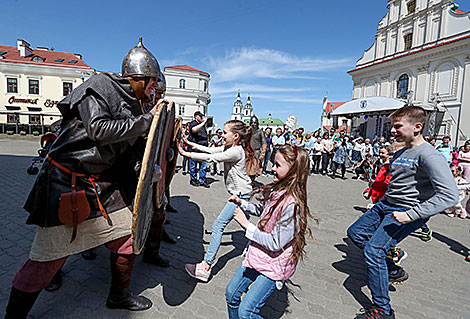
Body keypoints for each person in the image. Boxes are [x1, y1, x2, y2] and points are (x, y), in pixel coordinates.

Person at [5, 38, 165, 317]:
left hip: (104, 185)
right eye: (152, 82)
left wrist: (149, 168)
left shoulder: (136, 106)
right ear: (138, 77)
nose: (154, 88)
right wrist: (147, 120)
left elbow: (128, 148)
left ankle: (118, 296)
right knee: (47, 260)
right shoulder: (100, 86)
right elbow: (99, 130)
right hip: (68, 183)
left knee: (127, 237)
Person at [347, 105, 459, 319]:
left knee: (373, 252)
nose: (392, 130)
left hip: (405, 211)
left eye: (398, 126)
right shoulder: (401, 151)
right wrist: (377, 200)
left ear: (417, 127)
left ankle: (382, 311)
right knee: (355, 233)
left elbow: (449, 196)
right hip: (385, 204)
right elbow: (399, 182)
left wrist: (411, 215)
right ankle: (392, 268)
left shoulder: (430, 155)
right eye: (392, 126)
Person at [225, 145, 316, 318]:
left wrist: (246, 225)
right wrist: (242, 204)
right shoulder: (277, 190)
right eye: (273, 163)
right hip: (259, 255)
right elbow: (262, 210)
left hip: (275, 265)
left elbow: (275, 243)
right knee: (231, 294)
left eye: (278, 165)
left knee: (246, 312)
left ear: (294, 173)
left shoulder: (293, 205)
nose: (272, 168)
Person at [178, 120, 253, 282]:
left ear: (236, 136)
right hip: (243, 192)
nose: (222, 134)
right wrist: (190, 143)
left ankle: (206, 267)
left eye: (225, 132)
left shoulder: (236, 151)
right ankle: (258, 246)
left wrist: (187, 154)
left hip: (239, 195)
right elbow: (210, 149)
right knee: (246, 224)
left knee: (218, 225)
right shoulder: (229, 147)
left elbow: (212, 157)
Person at [188, 111, 210, 188]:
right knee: (193, 165)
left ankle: (202, 180)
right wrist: (203, 123)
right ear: (196, 117)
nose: (202, 118)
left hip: (203, 149)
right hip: (195, 148)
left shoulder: (202, 126)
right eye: (200, 116)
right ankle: (193, 179)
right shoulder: (193, 123)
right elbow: (194, 130)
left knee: (203, 166)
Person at [249, 116, 267, 184]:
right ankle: (248, 182)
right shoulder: (248, 131)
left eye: (254, 123)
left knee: (254, 169)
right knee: (247, 168)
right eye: (252, 123)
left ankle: (252, 181)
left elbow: (264, 143)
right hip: (248, 152)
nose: (253, 124)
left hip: (256, 152)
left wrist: (262, 153)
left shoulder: (260, 132)